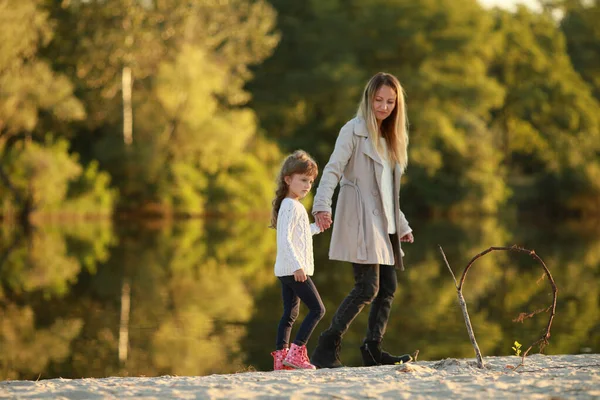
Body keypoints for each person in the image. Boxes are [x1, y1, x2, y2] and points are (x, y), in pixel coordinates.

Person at [310, 72, 414, 369]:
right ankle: (326, 348)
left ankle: (372, 348)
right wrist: (321, 205)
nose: (383, 106)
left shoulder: (392, 138)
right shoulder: (352, 131)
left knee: (388, 287)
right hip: (359, 218)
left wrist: (403, 225)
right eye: (378, 100)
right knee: (367, 287)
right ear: (368, 99)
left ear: (397, 105)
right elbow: (332, 170)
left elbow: (387, 191)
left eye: (390, 102)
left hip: (385, 224)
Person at [270, 150, 327, 370]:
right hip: (293, 269)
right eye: (303, 180)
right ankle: (295, 354)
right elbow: (284, 239)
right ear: (288, 179)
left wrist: (316, 228)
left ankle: (281, 358)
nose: (307, 186)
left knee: (290, 314)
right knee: (317, 309)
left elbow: (298, 235)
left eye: (311, 182)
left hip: (287, 269)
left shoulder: (293, 205)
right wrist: (297, 266)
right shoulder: (289, 205)